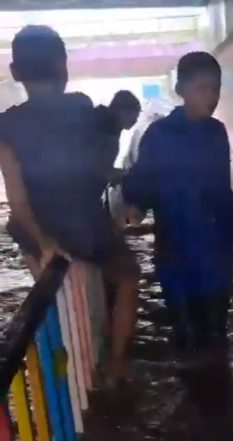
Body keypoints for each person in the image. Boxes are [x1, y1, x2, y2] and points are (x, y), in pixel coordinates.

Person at [0, 25, 141, 385]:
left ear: (15, 73)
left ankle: (65, 364)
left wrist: (43, 242)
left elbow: (16, 200)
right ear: (64, 66)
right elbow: (94, 163)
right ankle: (117, 364)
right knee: (127, 275)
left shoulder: (7, 125)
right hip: (87, 228)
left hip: (40, 232)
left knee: (50, 297)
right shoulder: (81, 107)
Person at [123, 51, 233, 363]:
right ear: (180, 89)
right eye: (202, 88)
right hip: (175, 252)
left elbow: (221, 194)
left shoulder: (217, 133)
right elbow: (142, 178)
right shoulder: (158, 135)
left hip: (214, 253)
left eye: (216, 88)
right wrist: (136, 206)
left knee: (215, 333)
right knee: (185, 335)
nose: (211, 96)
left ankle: (218, 399)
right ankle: (197, 396)